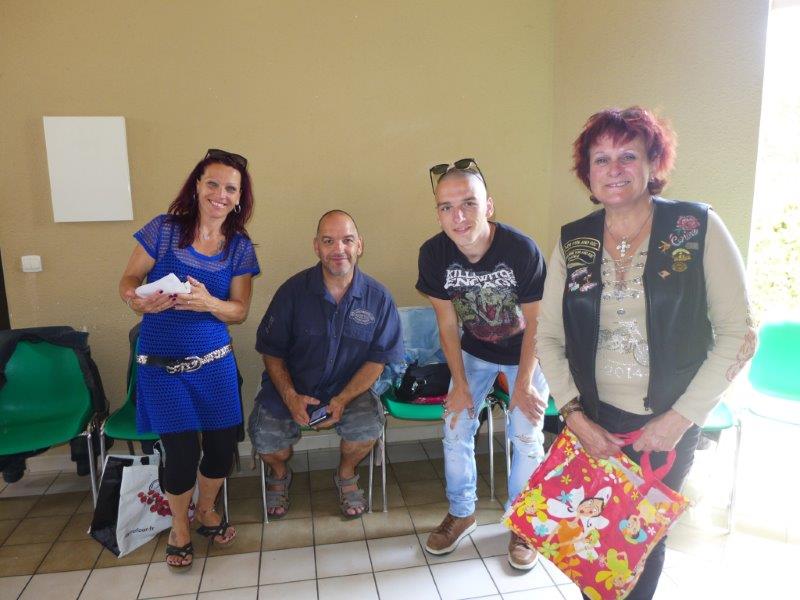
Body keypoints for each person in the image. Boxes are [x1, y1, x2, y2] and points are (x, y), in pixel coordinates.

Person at [537, 106, 755, 598]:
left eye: (628, 156)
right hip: (593, 422)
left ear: (653, 163)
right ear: (587, 173)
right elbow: (547, 336)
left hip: (666, 426)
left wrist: (680, 419)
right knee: (591, 538)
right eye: (601, 159)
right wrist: (573, 416)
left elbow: (739, 334)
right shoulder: (574, 240)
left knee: (640, 541)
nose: (614, 169)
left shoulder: (696, 228)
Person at [118, 148, 260, 570]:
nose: (220, 194)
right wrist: (135, 300)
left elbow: (239, 310)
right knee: (180, 456)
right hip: (162, 369)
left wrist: (209, 302)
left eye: (230, 188)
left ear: (239, 197)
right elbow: (129, 279)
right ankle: (179, 525)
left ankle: (207, 509)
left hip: (215, 365)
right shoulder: (163, 230)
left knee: (221, 449)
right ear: (197, 185)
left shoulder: (239, 247)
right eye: (212, 183)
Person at [416, 158, 549, 570]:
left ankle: (523, 523)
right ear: (438, 212)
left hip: (526, 351)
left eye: (468, 203)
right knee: (455, 424)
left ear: (488, 206)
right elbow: (447, 323)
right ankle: (462, 512)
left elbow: (538, 322)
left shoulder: (521, 250)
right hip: (474, 352)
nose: (458, 216)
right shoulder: (433, 254)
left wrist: (523, 384)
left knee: (525, 431)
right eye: (446, 207)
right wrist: (459, 385)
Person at [248, 210, 403, 518]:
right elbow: (272, 352)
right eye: (329, 241)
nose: (338, 249)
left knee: (367, 429)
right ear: (316, 246)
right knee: (267, 441)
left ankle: (346, 474)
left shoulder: (379, 298)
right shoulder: (292, 292)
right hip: (291, 386)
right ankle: (279, 474)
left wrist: (342, 399)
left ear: (359, 245)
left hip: (349, 389)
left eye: (347, 240)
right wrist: (290, 396)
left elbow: (378, 360)